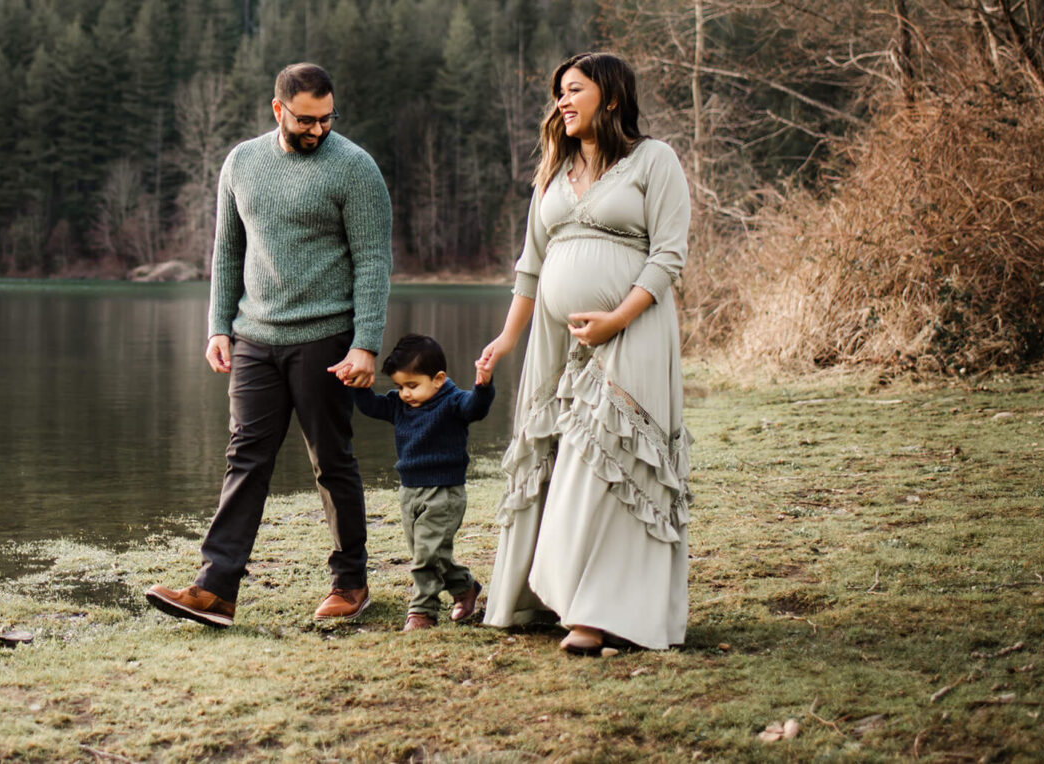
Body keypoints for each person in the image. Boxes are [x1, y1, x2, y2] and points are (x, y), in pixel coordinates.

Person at [145, 62, 393, 628]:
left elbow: (375, 261)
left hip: (327, 338)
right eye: (307, 120)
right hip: (255, 337)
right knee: (245, 460)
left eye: (327, 119)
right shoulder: (242, 161)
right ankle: (216, 591)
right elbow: (228, 251)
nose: (318, 130)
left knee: (332, 461)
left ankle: (350, 583)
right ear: (278, 109)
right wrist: (217, 325)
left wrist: (366, 345)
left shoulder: (354, 168)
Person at [476, 53, 692, 655]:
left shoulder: (655, 161)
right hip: (556, 344)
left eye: (574, 90)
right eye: (559, 94)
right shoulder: (553, 170)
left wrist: (616, 319)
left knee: (605, 463)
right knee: (553, 456)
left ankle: (595, 617)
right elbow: (530, 268)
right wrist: (506, 338)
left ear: (612, 97)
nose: (562, 103)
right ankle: (538, 600)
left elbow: (668, 257)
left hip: (634, 331)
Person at [351, 333, 496, 632]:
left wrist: (483, 384)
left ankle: (422, 612)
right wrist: (358, 385)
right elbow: (371, 407)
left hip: (444, 493)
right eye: (399, 386)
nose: (404, 393)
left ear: (438, 378)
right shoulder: (399, 405)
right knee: (429, 554)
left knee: (427, 556)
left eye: (412, 385)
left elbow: (476, 408)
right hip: (409, 492)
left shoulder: (454, 402)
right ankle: (465, 587)